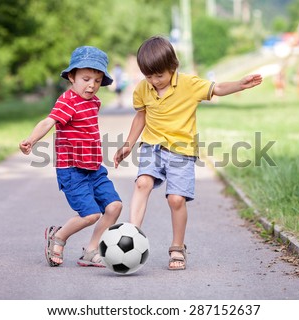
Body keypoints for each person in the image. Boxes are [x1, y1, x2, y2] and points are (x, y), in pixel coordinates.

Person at [113, 36, 262, 271]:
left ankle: (177, 247)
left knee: (176, 199)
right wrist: (128, 144)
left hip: (181, 151)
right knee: (142, 182)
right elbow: (140, 116)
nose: (154, 81)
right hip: (152, 146)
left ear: (173, 67)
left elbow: (217, 88)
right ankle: (132, 236)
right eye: (148, 76)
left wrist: (240, 84)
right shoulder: (143, 88)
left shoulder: (189, 84)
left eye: (159, 75)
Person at [20, 46, 122, 267]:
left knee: (114, 206)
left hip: (94, 168)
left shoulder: (94, 102)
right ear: (71, 77)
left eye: (97, 80)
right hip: (73, 170)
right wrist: (32, 139)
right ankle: (58, 237)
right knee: (90, 214)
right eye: (86, 78)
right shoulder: (67, 101)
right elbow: (49, 121)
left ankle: (91, 250)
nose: (92, 85)